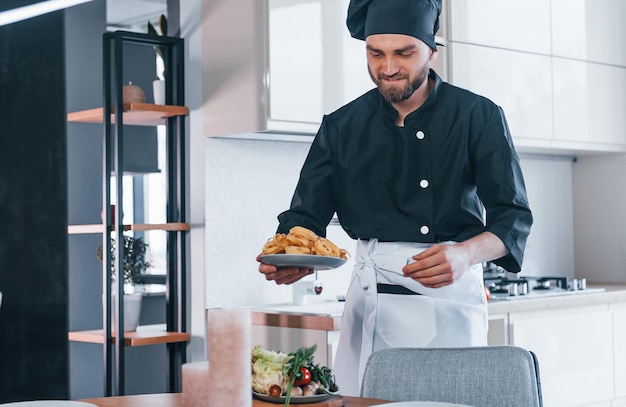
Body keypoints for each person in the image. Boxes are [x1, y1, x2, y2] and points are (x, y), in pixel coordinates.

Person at [257, 0, 533, 396]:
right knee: (363, 400)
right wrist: (291, 260)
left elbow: (513, 217)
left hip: (447, 293)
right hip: (368, 299)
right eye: (375, 53)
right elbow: (305, 216)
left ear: (431, 49)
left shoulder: (477, 116)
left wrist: (465, 254)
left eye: (404, 53)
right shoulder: (341, 126)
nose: (387, 67)